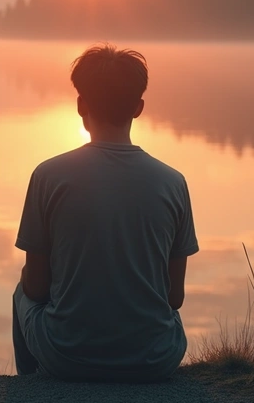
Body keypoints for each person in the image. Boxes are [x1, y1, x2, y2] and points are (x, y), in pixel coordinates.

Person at [12, 44, 198, 382]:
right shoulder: (173, 182)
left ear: (81, 105)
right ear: (139, 108)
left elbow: (36, 289)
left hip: (67, 357)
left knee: (20, 291)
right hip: (156, 360)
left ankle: (31, 384)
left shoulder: (48, 176)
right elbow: (174, 297)